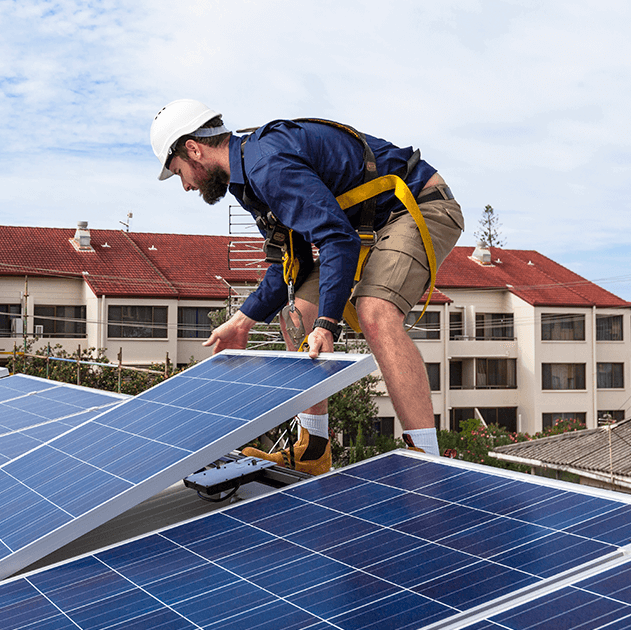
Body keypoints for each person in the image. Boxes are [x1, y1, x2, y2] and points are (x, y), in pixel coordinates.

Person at [150, 99, 463, 470]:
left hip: (417, 205)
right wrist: (242, 321)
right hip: (364, 228)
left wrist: (326, 325)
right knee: (297, 313)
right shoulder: (248, 180)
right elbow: (290, 263)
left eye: (179, 171)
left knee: (374, 311)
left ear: (193, 149)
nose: (185, 185)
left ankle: (426, 459)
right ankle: (313, 449)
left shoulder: (267, 164)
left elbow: (337, 240)